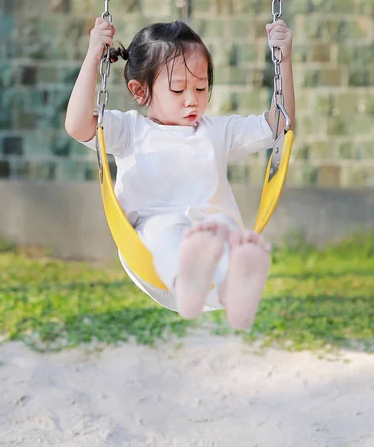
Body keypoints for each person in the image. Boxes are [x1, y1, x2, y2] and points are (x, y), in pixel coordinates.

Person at [65, 18, 295, 329]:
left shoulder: (216, 131)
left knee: (224, 227)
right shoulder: (129, 130)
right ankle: (187, 280)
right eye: (178, 89)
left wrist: (285, 60)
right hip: (152, 242)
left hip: (211, 231)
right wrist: (93, 56)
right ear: (140, 90)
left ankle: (234, 290)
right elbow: (77, 125)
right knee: (167, 230)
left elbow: (277, 125)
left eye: (201, 87)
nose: (192, 99)